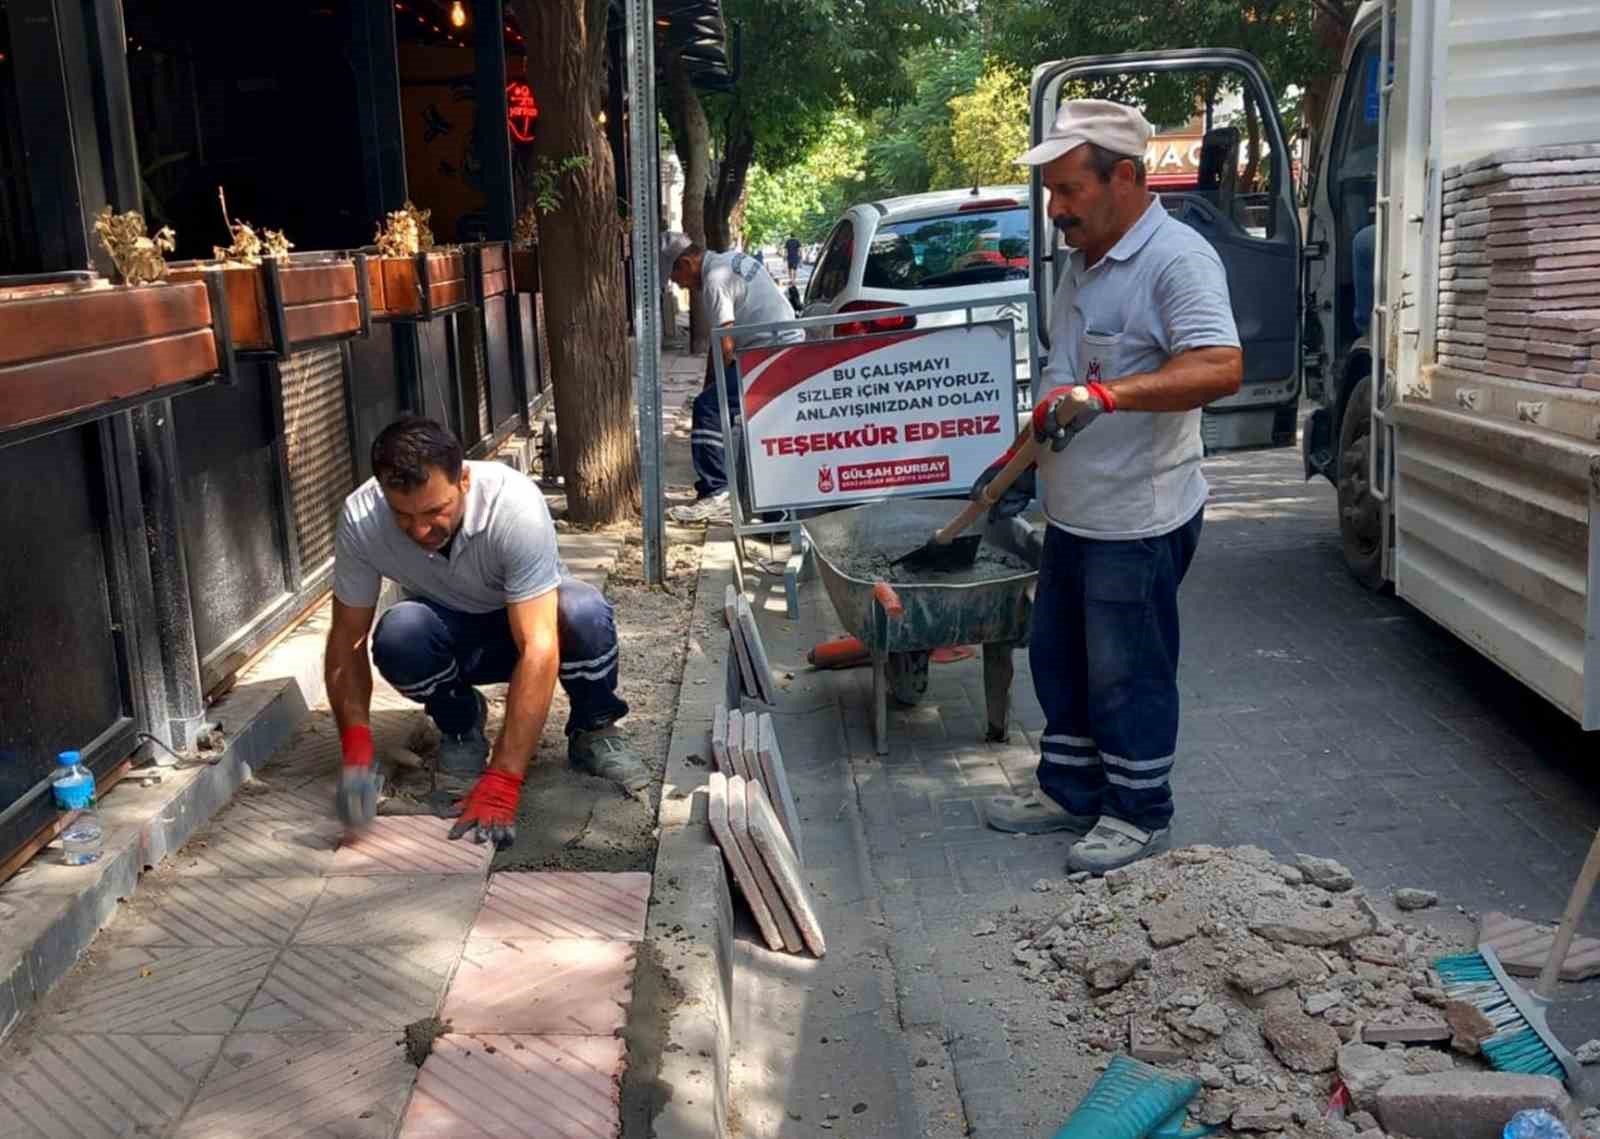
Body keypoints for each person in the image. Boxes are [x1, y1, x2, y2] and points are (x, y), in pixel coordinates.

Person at [975, 100, 1243, 874]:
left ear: (1124, 177)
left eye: (1068, 190)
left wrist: (1111, 395)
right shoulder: (1081, 262)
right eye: (1051, 192)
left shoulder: (1176, 260)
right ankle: (1069, 789)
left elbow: (1220, 365)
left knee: (1127, 669)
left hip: (1141, 517)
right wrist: (1019, 455)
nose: (1056, 209)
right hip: (1076, 512)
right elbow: (1064, 377)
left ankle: (1138, 811)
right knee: (1060, 658)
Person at [327, 417, 645, 849]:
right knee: (400, 633)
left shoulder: (513, 505)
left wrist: (504, 779)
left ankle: (594, 728)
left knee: (582, 611)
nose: (420, 530)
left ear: (463, 478)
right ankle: (460, 725)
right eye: (403, 515)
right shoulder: (361, 519)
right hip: (452, 633)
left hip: (530, 624)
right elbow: (347, 640)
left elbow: (539, 646)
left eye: (434, 511)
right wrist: (357, 744)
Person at [660, 231, 804, 524]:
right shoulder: (730, 260)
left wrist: (713, 393)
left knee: (709, 410)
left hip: (770, 355)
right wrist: (711, 386)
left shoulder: (715, 280)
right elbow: (722, 343)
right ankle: (776, 514)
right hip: (780, 348)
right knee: (753, 426)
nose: (681, 285)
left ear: (686, 263)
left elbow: (725, 346)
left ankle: (717, 492)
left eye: (677, 278)